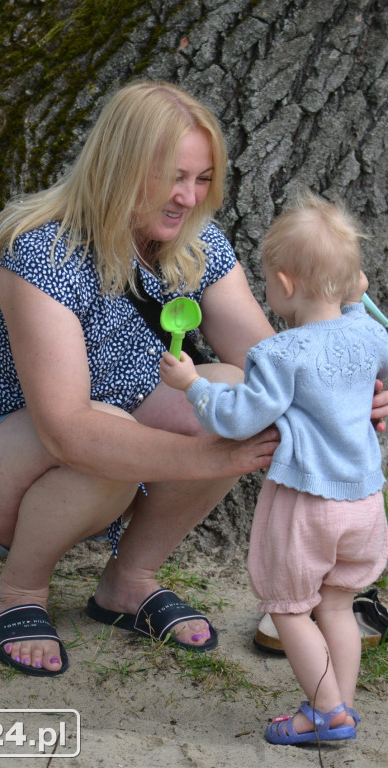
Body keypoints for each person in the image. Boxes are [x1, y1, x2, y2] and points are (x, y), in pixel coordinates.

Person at [0, 81, 386, 680]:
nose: (189, 196)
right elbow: (68, 433)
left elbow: (274, 363)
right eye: (173, 176)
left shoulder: (193, 240)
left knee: (235, 389)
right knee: (107, 434)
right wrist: (211, 457)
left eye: (203, 178)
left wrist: (341, 398)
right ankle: (17, 593)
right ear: (122, 166)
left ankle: (128, 583)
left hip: (103, 441)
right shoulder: (39, 252)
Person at [159, 191, 388, 745]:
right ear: (353, 279)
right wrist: (357, 295)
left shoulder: (280, 355)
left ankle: (326, 711)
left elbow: (239, 419)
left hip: (307, 505)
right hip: (364, 504)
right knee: (337, 604)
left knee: (289, 612)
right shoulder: (371, 334)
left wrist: (193, 387)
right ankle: (340, 706)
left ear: (283, 285)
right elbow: (365, 314)